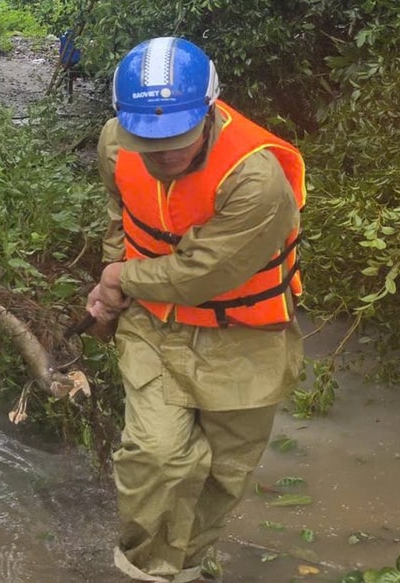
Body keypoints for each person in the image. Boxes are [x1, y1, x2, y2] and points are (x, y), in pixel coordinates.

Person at [85, 36, 307, 582]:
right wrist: (111, 291)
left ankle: (187, 568)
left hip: (244, 338)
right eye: (148, 139)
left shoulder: (256, 181)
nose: (162, 154)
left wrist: (119, 277)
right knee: (158, 457)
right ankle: (144, 572)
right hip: (155, 326)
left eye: (176, 140)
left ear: (209, 111)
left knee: (224, 474)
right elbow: (121, 215)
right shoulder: (116, 142)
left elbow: (201, 274)